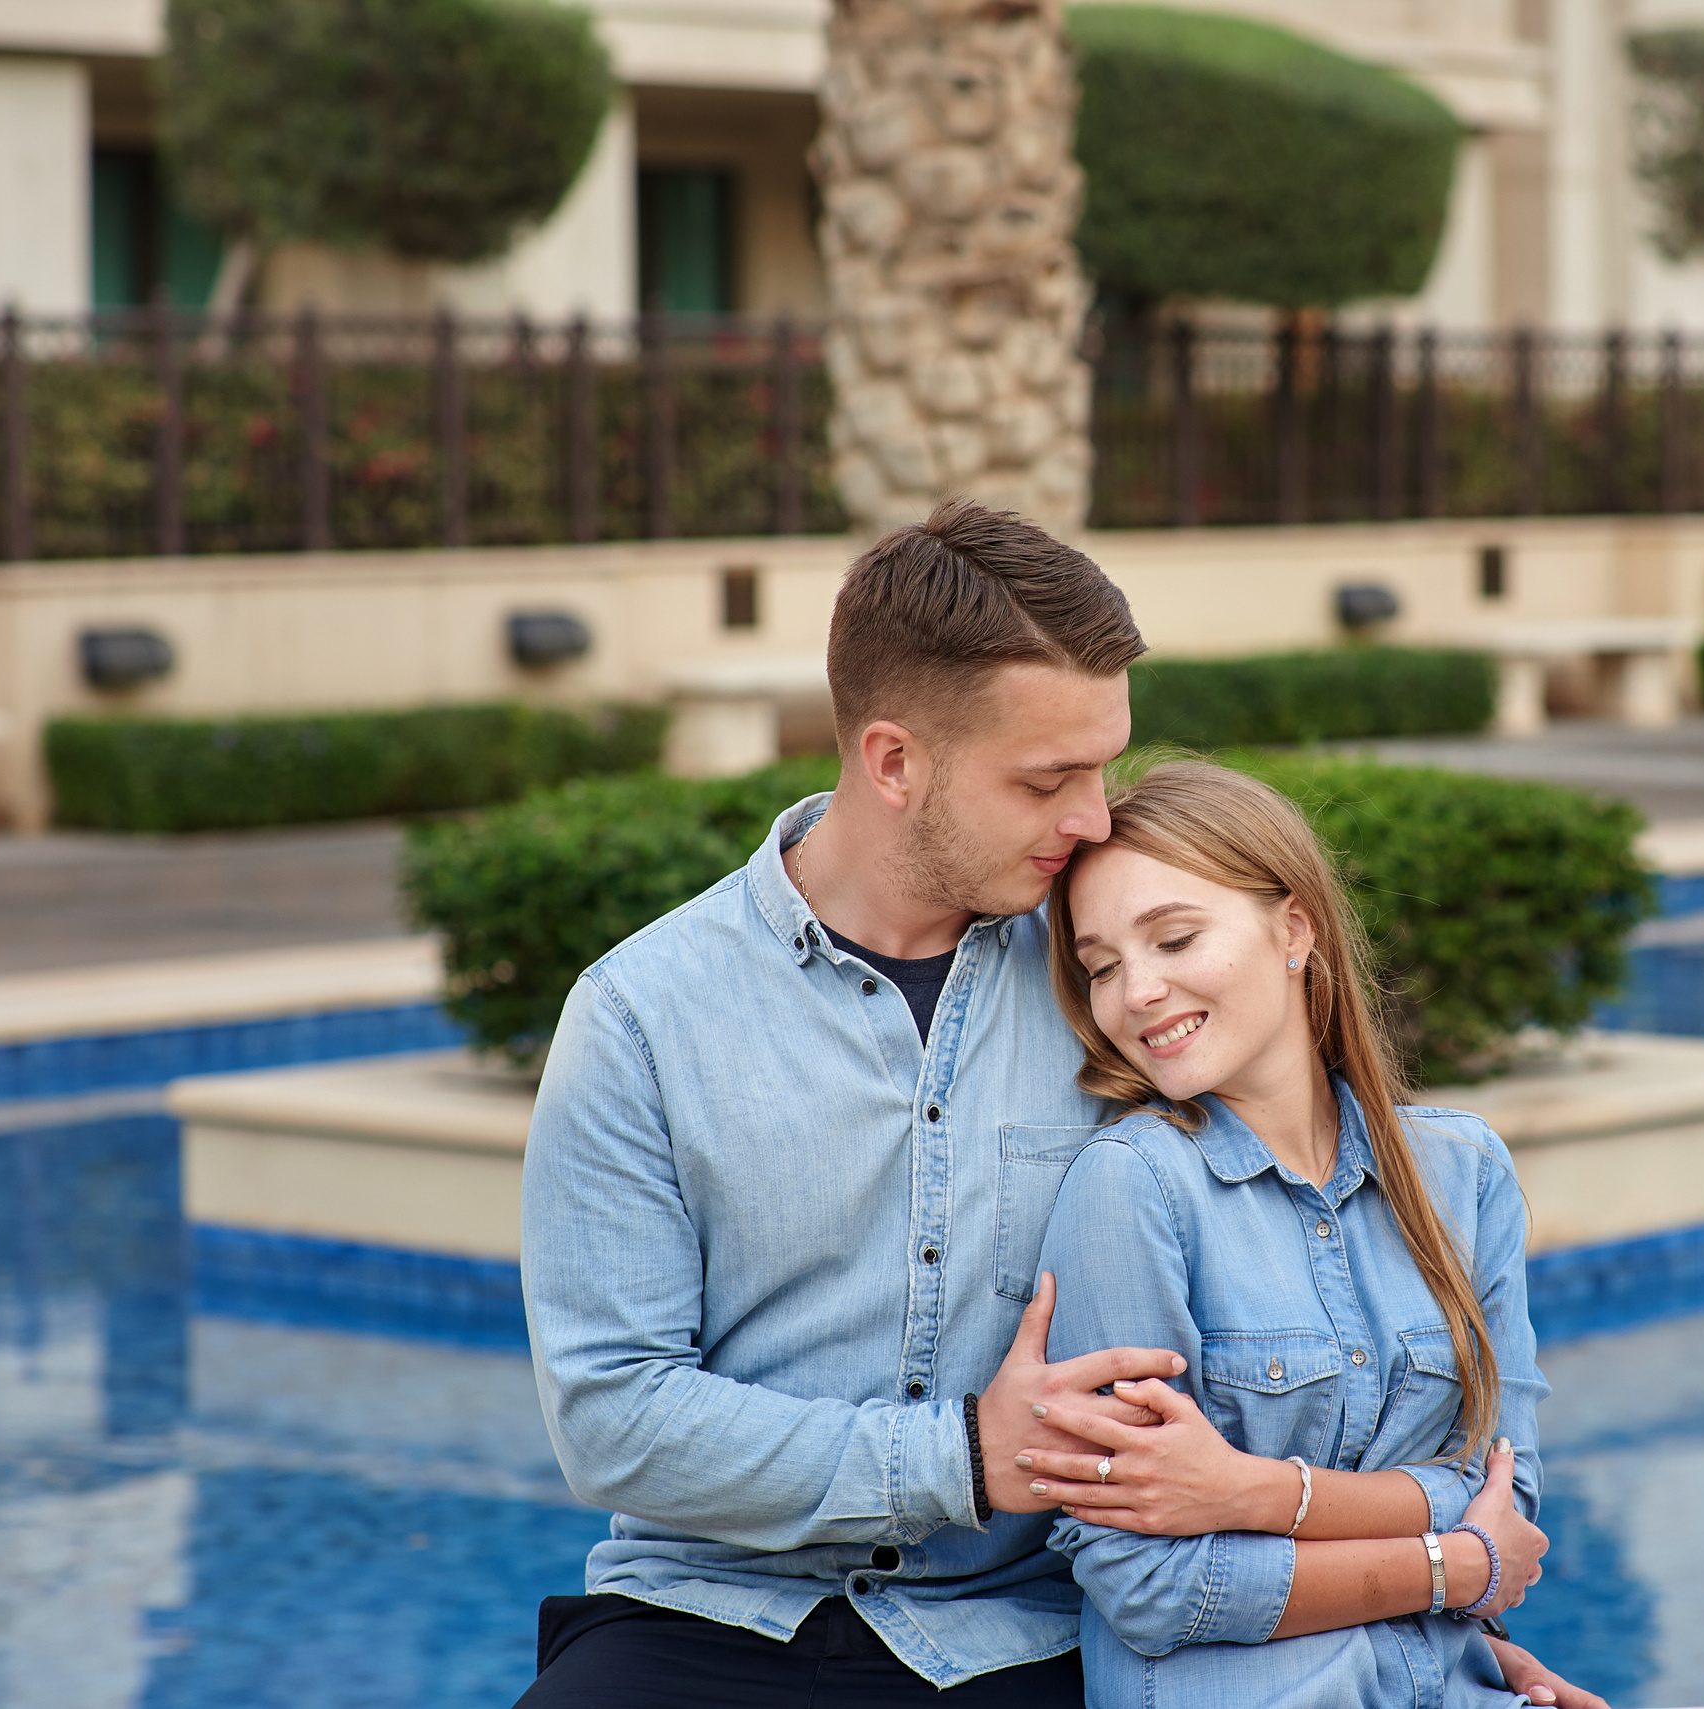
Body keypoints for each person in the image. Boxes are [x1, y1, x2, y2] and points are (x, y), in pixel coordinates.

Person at [517, 501, 1599, 1707]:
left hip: (1023, 1633)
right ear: (893, 761)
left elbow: (1317, 1273)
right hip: (710, 1613)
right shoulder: (639, 1017)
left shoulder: (1112, 979)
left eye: (1101, 764)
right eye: (1047, 778)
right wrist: (970, 1454)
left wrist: (1431, 1623)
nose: (1091, 816)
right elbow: (614, 1415)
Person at [1023, 760, 1578, 1707]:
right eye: (1102, 966)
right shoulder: (1133, 1188)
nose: (1139, 991)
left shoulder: (1463, 1172)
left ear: (1294, 926)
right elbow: (1148, 1584)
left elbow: (1509, 1494)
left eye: (1175, 937)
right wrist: (1452, 1563)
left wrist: (1251, 1495)